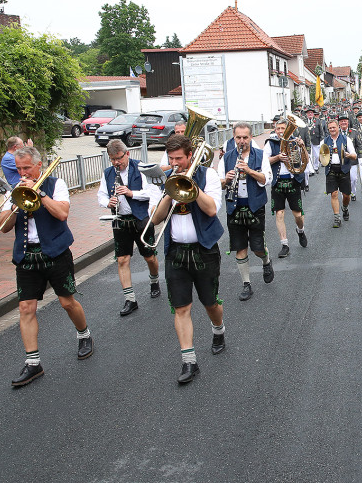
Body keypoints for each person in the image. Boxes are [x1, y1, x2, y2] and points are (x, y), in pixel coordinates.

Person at [0, 145, 93, 388]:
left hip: (55, 253)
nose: (23, 173)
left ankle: (84, 334)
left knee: (67, 302)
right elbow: (4, 227)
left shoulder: (56, 184)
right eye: (19, 169)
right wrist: (14, 204)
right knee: (25, 307)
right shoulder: (14, 190)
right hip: (26, 257)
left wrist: (39, 193)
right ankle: (33, 363)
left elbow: (62, 214)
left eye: (27, 168)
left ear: (39, 166)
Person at [151, 134, 225, 384]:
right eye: (171, 159)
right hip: (176, 252)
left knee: (210, 302)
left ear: (189, 156)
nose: (175, 163)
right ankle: (189, 361)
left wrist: (192, 186)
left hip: (204, 250)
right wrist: (170, 192)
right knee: (181, 307)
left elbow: (212, 209)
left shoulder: (208, 175)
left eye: (179, 159)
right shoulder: (165, 179)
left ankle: (218, 329)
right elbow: (156, 219)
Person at [97, 139, 161, 316]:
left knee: (149, 257)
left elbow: (153, 191)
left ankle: (154, 280)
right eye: (112, 159)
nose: (117, 162)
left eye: (119, 158)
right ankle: (130, 299)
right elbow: (101, 195)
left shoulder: (140, 168)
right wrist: (107, 202)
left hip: (141, 219)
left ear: (127, 153)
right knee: (122, 260)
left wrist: (131, 193)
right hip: (120, 220)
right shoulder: (108, 173)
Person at [219, 122, 274, 301]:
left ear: (251, 137)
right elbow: (217, 184)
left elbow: (266, 179)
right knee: (240, 248)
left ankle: (266, 261)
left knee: (257, 248)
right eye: (238, 138)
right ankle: (246, 284)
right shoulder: (226, 157)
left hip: (255, 206)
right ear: (234, 138)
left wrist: (249, 170)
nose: (241, 141)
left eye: (245, 137)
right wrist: (225, 180)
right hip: (234, 207)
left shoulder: (260, 155)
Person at [266, 118, 308, 258]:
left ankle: (300, 230)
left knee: (298, 215)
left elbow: (305, 160)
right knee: (279, 214)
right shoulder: (271, 143)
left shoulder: (295, 141)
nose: (279, 131)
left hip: (293, 181)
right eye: (278, 129)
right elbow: (264, 160)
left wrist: (302, 147)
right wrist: (277, 157)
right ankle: (284, 244)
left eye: (282, 128)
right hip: (277, 183)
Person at [323, 119, 357, 227]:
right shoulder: (324, 141)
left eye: (334, 127)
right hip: (331, 169)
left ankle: (345, 208)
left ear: (338, 127)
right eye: (330, 128)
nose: (332, 129)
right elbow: (321, 158)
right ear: (328, 129)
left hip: (344, 169)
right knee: (334, 193)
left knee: (346, 195)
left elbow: (354, 155)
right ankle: (337, 218)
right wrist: (322, 159)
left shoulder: (346, 139)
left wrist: (346, 154)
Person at [338, 114, 362, 200]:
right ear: (339, 123)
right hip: (341, 161)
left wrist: (360, 156)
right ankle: (344, 194)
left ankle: (353, 192)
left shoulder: (354, 132)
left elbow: (359, 145)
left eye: (345, 121)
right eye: (341, 121)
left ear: (348, 122)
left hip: (352, 160)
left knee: (353, 179)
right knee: (342, 179)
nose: (343, 123)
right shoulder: (336, 133)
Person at [305, 107, 324, 175]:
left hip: (316, 140)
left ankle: (316, 167)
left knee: (316, 156)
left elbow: (321, 131)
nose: (310, 114)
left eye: (311, 113)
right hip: (307, 141)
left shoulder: (317, 121)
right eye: (308, 113)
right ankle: (311, 170)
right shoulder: (304, 121)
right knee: (309, 156)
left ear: (313, 114)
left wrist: (321, 140)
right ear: (306, 114)